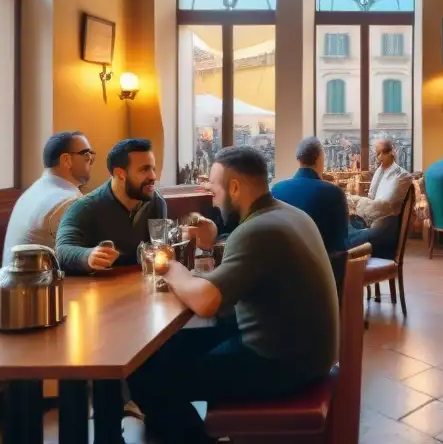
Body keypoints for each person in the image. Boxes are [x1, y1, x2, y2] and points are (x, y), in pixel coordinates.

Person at [127, 146, 339, 444]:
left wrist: (168, 267)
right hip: (305, 352)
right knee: (161, 352)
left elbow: (205, 302)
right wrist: (205, 252)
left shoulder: (257, 229)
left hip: (279, 364)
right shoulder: (290, 214)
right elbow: (236, 278)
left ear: (235, 187)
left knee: (147, 378)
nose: (211, 199)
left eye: (214, 190)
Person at [56, 138, 213, 273]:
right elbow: (62, 250)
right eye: (144, 170)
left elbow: (159, 249)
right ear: (120, 173)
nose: (153, 176)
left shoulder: (156, 203)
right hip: (97, 296)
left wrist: (188, 235)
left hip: (142, 292)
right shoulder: (84, 208)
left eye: (153, 169)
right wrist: (88, 256)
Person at [2, 132, 93, 264]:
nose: (90, 160)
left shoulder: (33, 191)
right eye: (86, 155)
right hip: (41, 282)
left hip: (16, 280)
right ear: (66, 160)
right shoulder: (67, 202)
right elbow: (90, 255)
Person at [271, 137, 349, 255]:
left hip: (284, 260)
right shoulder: (334, 193)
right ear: (320, 158)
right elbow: (340, 242)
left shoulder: (276, 189)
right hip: (322, 264)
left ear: (298, 158)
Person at [347, 138, 412, 258]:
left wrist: (356, 203)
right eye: (376, 153)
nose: (378, 157)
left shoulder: (402, 176)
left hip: (385, 228)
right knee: (341, 228)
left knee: (345, 239)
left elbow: (385, 206)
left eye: (380, 153)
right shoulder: (379, 171)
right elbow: (371, 198)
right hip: (370, 221)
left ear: (391, 152)